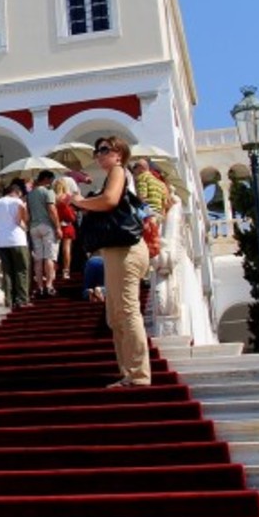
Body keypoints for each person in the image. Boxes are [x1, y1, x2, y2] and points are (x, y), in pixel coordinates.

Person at [72, 136, 150, 387]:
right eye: (97, 151)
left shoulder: (118, 170)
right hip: (118, 252)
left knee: (126, 312)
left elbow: (109, 201)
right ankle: (129, 372)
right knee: (115, 316)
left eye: (104, 150)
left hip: (125, 250)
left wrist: (79, 201)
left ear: (119, 154)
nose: (99, 155)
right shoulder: (115, 174)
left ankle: (138, 375)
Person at [0, 179, 31, 309]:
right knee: (21, 270)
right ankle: (22, 300)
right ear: (17, 192)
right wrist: (24, 208)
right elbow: (23, 219)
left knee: (7, 271)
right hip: (18, 240)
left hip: (1, 242)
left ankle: (9, 300)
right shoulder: (18, 202)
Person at [26, 170, 60, 297]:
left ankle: (39, 286)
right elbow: (52, 210)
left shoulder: (30, 195)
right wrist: (58, 227)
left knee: (38, 259)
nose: (51, 182)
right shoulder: (48, 192)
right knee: (49, 257)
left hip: (34, 227)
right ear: (46, 179)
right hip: (47, 225)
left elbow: (28, 214)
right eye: (51, 180)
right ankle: (49, 286)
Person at [55, 176, 80, 280]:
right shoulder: (68, 197)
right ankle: (66, 271)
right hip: (67, 224)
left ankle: (53, 270)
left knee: (55, 250)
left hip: (55, 224)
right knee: (67, 249)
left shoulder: (53, 197)